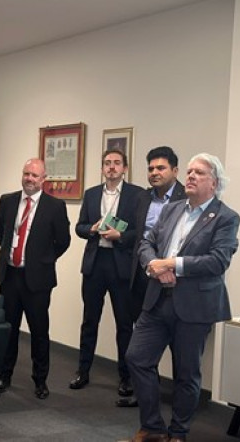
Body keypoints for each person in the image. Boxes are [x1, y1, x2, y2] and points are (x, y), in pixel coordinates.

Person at [124, 153, 240, 442]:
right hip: (157, 299)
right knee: (136, 358)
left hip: (195, 307)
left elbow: (217, 261)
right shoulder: (172, 209)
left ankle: (178, 433)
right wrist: (154, 265)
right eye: (189, 171)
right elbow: (146, 243)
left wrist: (172, 264)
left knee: (186, 375)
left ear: (214, 183)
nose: (190, 176)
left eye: (198, 173)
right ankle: (152, 427)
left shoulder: (226, 217)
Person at [0, 158, 70, 399]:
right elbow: (0, 233)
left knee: (39, 332)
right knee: (9, 330)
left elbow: (63, 241)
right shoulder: (7, 201)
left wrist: (43, 260)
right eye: (26, 173)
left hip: (38, 280)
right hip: (10, 275)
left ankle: (40, 380)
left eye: (35, 176)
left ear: (43, 179)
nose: (29, 179)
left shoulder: (55, 207)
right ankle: (4, 375)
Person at [69, 149, 143, 403]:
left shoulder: (137, 195)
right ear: (102, 168)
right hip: (95, 263)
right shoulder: (91, 194)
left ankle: (126, 377)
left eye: (116, 163)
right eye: (107, 163)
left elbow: (141, 231)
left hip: (120, 265)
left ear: (125, 167)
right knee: (90, 321)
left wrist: (120, 236)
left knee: (124, 325)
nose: (111, 167)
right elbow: (78, 227)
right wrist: (90, 229)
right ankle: (83, 371)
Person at [120, 146, 186, 407]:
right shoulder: (143, 198)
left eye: (161, 168)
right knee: (144, 342)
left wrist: (168, 266)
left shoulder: (185, 196)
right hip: (143, 277)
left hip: (175, 281)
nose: (154, 173)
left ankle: (181, 402)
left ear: (175, 171)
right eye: (150, 168)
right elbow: (140, 238)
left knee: (179, 348)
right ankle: (146, 394)